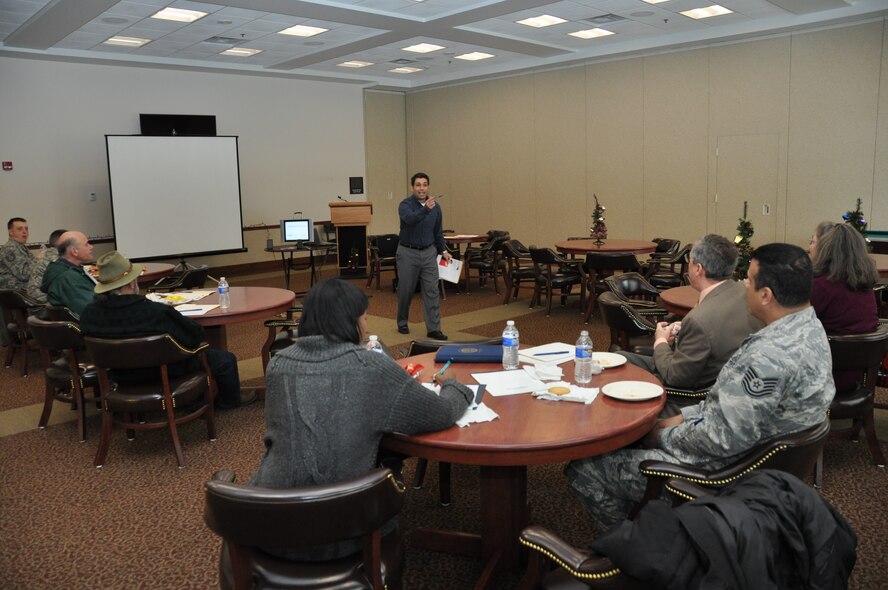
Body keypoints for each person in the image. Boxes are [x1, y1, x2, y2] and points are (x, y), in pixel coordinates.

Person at [566, 243, 835, 533]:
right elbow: (728, 409)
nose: (744, 284)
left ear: (766, 296)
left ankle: (628, 552)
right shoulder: (810, 329)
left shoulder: (769, 357)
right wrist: (680, 418)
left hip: (719, 476)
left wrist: (661, 435)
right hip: (760, 466)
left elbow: (723, 439)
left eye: (750, 280)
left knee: (584, 468)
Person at [249, 278, 472, 560]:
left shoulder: (279, 365)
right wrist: (453, 386)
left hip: (269, 523)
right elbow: (440, 414)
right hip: (345, 533)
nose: (366, 328)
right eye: (364, 319)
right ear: (351, 321)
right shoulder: (371, 366)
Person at [79, 251, 256, 409]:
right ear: (132, 283)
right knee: (225, 359)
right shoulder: (155, 311)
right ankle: (228, 401)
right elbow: (194, 336)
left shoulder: (88, 314)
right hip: (164, 371)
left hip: (119, 375)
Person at [618, 234, 763, 413]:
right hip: (729, 381)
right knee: (620, 359)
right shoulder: (744, 292)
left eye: (690, 262)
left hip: (691, 396)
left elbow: (674, 377)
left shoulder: (699, 319)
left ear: (698, 269)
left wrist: (660, 341)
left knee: (616, 371)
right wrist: (684, 330)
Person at [810, 223, 879, 392]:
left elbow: (790, 324)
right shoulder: (865, 286)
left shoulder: (821, 286)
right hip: (856, 377)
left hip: (823, 378)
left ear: (825, 250)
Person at [396, 172, 452, 339]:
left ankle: (434, 328)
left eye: (424, 184)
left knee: (432, 291)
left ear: (428, 187)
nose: (422, 188)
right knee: (406, 290)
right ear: (412, 187)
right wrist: (425, 209)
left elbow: (438, 232)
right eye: (418, 185)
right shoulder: (405, 205)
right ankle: (402, 322)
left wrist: (443, 250)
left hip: (428, 253)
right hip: (407, 252)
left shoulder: (436, 207)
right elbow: (410, 220)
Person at [40, 231, 96, 317]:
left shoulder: (66, 270)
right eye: (86, 244)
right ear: (74, 251)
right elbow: (93, 310)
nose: (91, 247)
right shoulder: (67, 278)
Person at [27, 228, 66, 303]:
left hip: (35, 299)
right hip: (41, 303)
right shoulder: (56, 258)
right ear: (60, 242)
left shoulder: (49, 253)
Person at [0, 217, 37, 290]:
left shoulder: (22, 247)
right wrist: (38, 259)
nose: (24, 232)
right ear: (11, 232)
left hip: (25, 290)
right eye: (20, 229)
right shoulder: (10, 249)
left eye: (26, 229)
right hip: (14, 293)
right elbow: (24, 275)